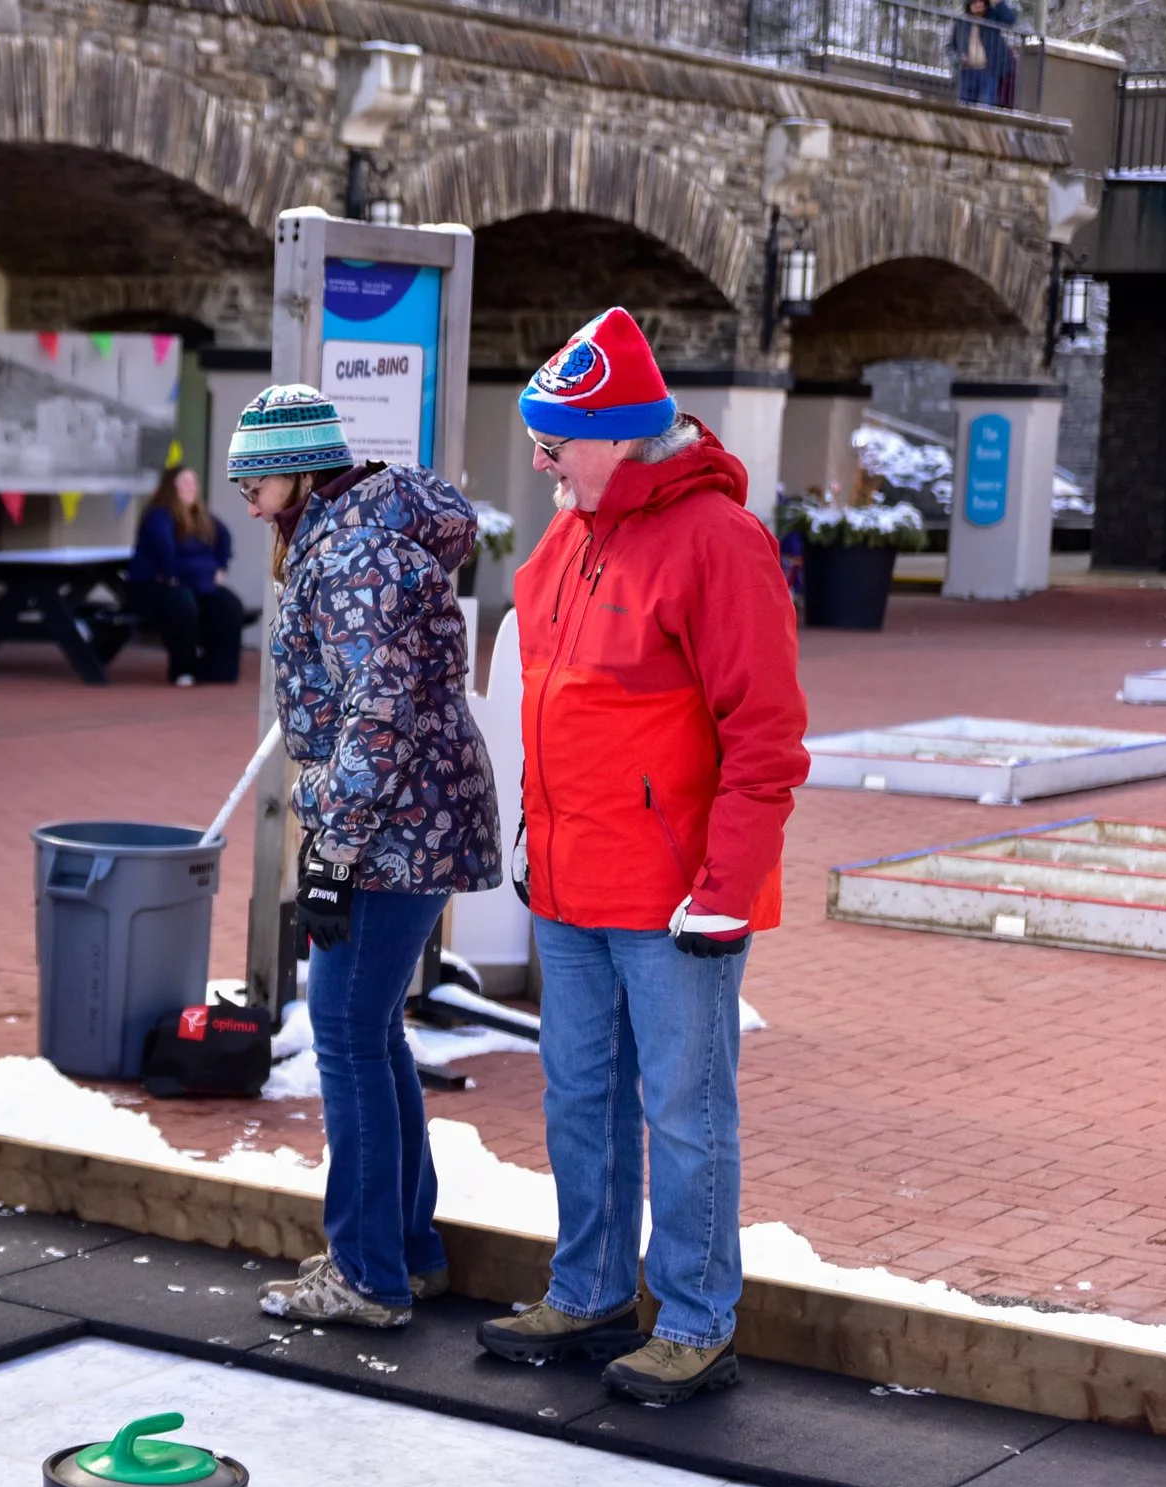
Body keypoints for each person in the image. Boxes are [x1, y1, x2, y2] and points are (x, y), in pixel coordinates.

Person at [476, 307, 808, 1404]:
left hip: (674, 901)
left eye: (555, 439)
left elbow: (764, 738)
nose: (539, 459)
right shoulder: (570, 535)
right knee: (578, 1098)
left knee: (684, 1110)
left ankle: (698, 1319)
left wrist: (722, 892)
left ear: (617, 436)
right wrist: (533, 835)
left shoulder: (718, 542)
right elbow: (554, 708)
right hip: (572, 884)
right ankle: (589, 1292)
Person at [225, 385, 501, 1328]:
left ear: (302, 472)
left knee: (344, 1033)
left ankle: (367, 1274)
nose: (249, 502)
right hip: (409, 815)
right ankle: (403, 1249)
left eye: (258, 482)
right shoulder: (364, 530)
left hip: (390, 825)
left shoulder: (352, 557)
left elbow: (374, 720)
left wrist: (332, 857)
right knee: (372, 1031)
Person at [127, 463, 245, 686]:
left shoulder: (200, 515)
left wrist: (221, 567)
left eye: (194, 482)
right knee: (183, 604)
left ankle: (220, 670)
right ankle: (183, 669)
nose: (192, 487)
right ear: (171, 488)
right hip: (156, 584)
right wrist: (172, 575)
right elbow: (164, 549)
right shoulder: (158, 515)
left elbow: (224, 536)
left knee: (229, 605)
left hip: (196, 582)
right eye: (185, 483)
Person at [947, 0, 1017, 107]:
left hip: (988, 72)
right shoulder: (961, 22)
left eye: (981, 2)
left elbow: (1010, 20)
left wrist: (998, 3)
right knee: (963, 109)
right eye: (974, 2)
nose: (978, 5)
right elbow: (950, 47)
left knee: (985, 108)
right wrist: (958, 59)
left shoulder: (992, 18)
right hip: (967, 72)